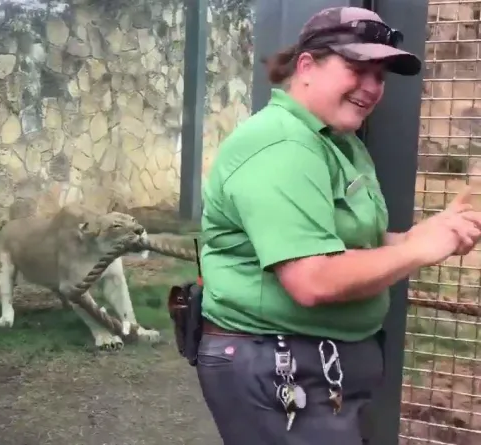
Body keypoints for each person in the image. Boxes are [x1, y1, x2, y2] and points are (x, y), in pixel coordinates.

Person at [196, 7, 481, 444]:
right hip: (279, 366)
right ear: (307, 66)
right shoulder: (281, 145)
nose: (371, 87)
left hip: (317, 368)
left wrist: (429, 234)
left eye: (380, 76)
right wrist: (417, 250)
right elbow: (313, 278)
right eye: (356, 68)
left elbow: (346, 241)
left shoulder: (334, 141)